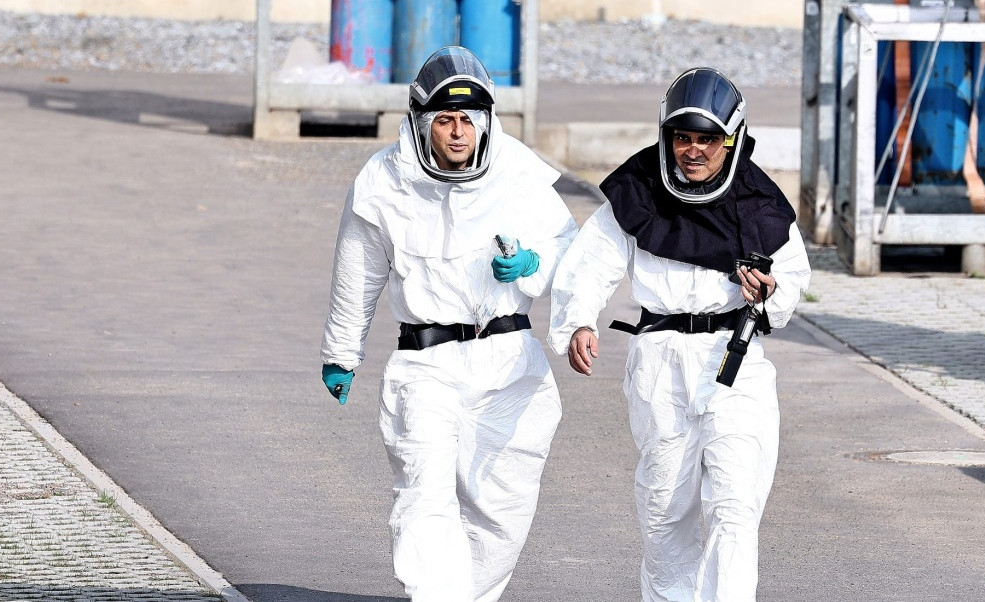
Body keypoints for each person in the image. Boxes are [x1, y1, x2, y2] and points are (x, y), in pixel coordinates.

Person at [320, 46, 577, 601]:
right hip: (426, 363)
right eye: (444, 120)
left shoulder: (517, 171)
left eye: (467, 120)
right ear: (420, 122)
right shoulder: (384, 180)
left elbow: (569, 250)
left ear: (485, 122)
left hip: (510, 364)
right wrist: (342, 353)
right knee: (424, 495)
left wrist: (533, 263)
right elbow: (358, 268)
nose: (457, 133)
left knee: (501, 508)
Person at [547, 67, 811, 601]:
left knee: (734, 507)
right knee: (665, 511)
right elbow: (590, 262)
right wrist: (578, 320)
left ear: (730, 139)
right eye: (682, 137)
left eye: (707, 139)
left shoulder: (761, 202)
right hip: (658, 362)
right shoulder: (638, 190)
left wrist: (768, 292)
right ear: (666, 134)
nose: (694, 150)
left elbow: (791, 289)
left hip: (734, 361)